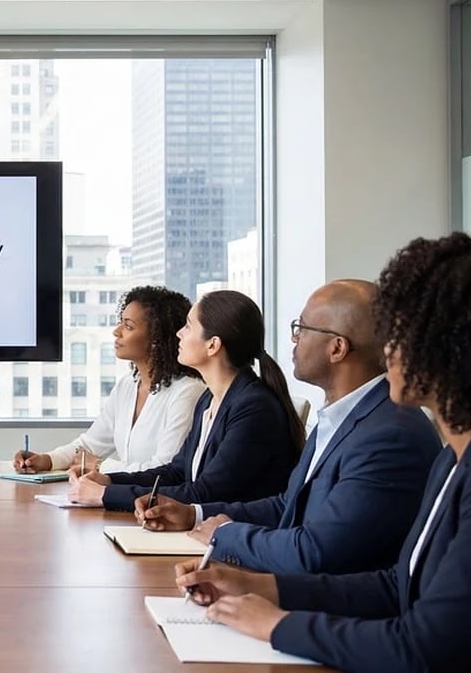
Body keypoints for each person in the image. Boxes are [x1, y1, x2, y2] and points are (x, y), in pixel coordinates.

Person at [175, 233, 471, 672]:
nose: (386, 349)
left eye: (402, 333)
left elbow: (422, 647)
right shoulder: (452, 459)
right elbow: (396, 586)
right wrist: (258, 588)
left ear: (448, 345)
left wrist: (277, 625)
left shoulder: (400, 434)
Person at [136, 280, 440, 574]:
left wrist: (226, 534)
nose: (294, 339)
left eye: (302, 328)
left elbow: (315, 551)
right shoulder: (342, 416)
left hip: (340, 609)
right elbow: (289, 506)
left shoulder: (389, 434)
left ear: (337, 349)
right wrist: (194, 515)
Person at [68, 290, 302, 510]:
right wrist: (109, 481)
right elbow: (177, 472)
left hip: (232, 538)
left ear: (213, 345)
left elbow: (205, 493)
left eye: (188, 327)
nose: (179, 333)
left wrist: (105, 496)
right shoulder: (210, 399)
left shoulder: (254, 407)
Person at [13, 286, 204, 475]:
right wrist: (46, 460)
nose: (116, 331)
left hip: (157, 501)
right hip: (127, 498)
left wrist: (100, 466)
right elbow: (90, 445)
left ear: (157, 338)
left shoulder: (187, 392)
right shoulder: (127, 385)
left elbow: (166, 468)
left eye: (128, 326)